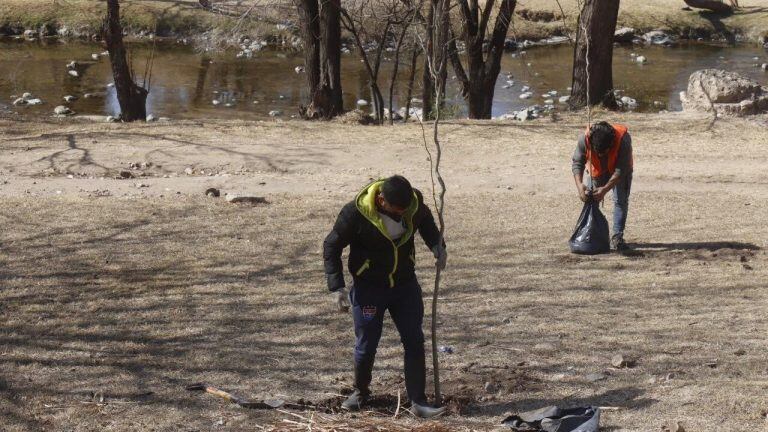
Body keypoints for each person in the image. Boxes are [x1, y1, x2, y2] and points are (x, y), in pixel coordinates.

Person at [322, 175, 447, 418]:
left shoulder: (412, 204)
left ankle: (418, 401)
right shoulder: (355, 214)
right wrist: (336, 287)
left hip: (404, 285)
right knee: (366, 346)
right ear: (381, 200)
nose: (402, 214)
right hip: (369, 288)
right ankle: (360, 392)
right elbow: (331, 246)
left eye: (406, 209)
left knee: (414, 340)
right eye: (397, 210)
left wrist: (437, 246)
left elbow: (426, 222)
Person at [572, 121, 634, 251]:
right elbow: (578, 162)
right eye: (597, 151)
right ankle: (592, 234)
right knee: (591, 199)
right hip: (597, 170)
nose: (600, 155)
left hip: (620, 171)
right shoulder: (585, 139)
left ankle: (617, 237)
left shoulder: (623, 140)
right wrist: (579, 186)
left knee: (620, 201)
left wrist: (605, 190)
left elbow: (621, 170)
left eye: (603, 152)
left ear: (611, 144)